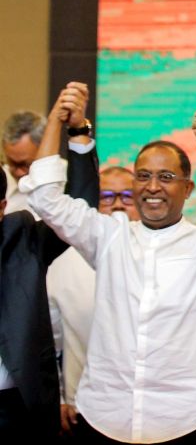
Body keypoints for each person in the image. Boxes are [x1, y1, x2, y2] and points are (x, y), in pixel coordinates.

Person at [21, 96, 196, 444]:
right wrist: (60, 122)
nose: (153, 187)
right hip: (103, 420)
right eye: (144, 176)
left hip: (184, 423)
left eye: (166, 177)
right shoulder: (107, 236)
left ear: (188, 188)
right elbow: (44, 197)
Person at [0, 84, 97, 441]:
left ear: (1, 209)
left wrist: (78, 132)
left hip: (18, 407)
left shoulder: (21, 237)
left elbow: (80, 208)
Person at [48, 166, 138, 439]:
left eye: (128, 196)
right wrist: (58, 398)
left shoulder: (164, 255)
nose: (118, 205)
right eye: (107, 197)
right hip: (83, 410)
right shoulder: (60, 260)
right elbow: (47, 343)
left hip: (156, 410)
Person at [3, 110, 48, 214]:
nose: (19, 172)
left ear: (45, 149)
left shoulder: (66, 180)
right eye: (12, 163)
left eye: (26, 164)